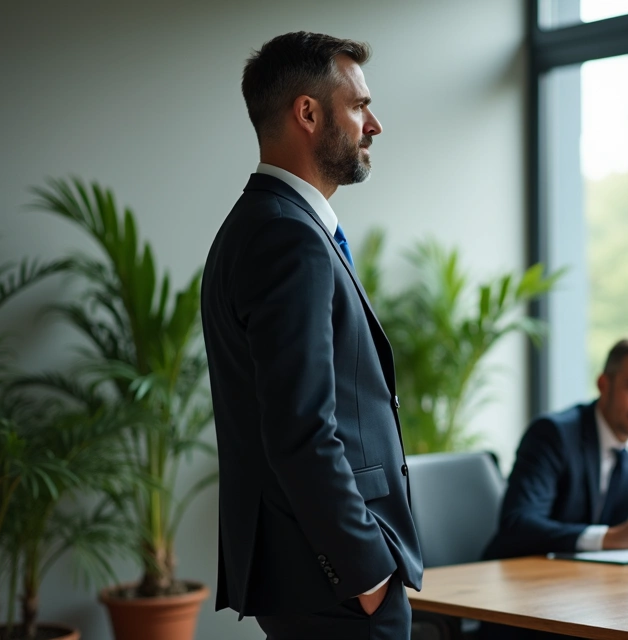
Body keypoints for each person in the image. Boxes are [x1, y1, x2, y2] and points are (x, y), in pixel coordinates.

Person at [200, 32, 421, 639]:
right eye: (359, 105)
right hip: (336, 583)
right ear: (308, 113)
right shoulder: (286, 235)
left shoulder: (263, 223)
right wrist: (366, 572)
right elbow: (300, 428)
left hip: (314, 577)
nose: (374, 124)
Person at [483, 334, 628, 560]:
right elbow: (519, 524)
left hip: (594, 575)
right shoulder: (553, 434)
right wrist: (608, 538)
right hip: (521, 571)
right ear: (603, 385)